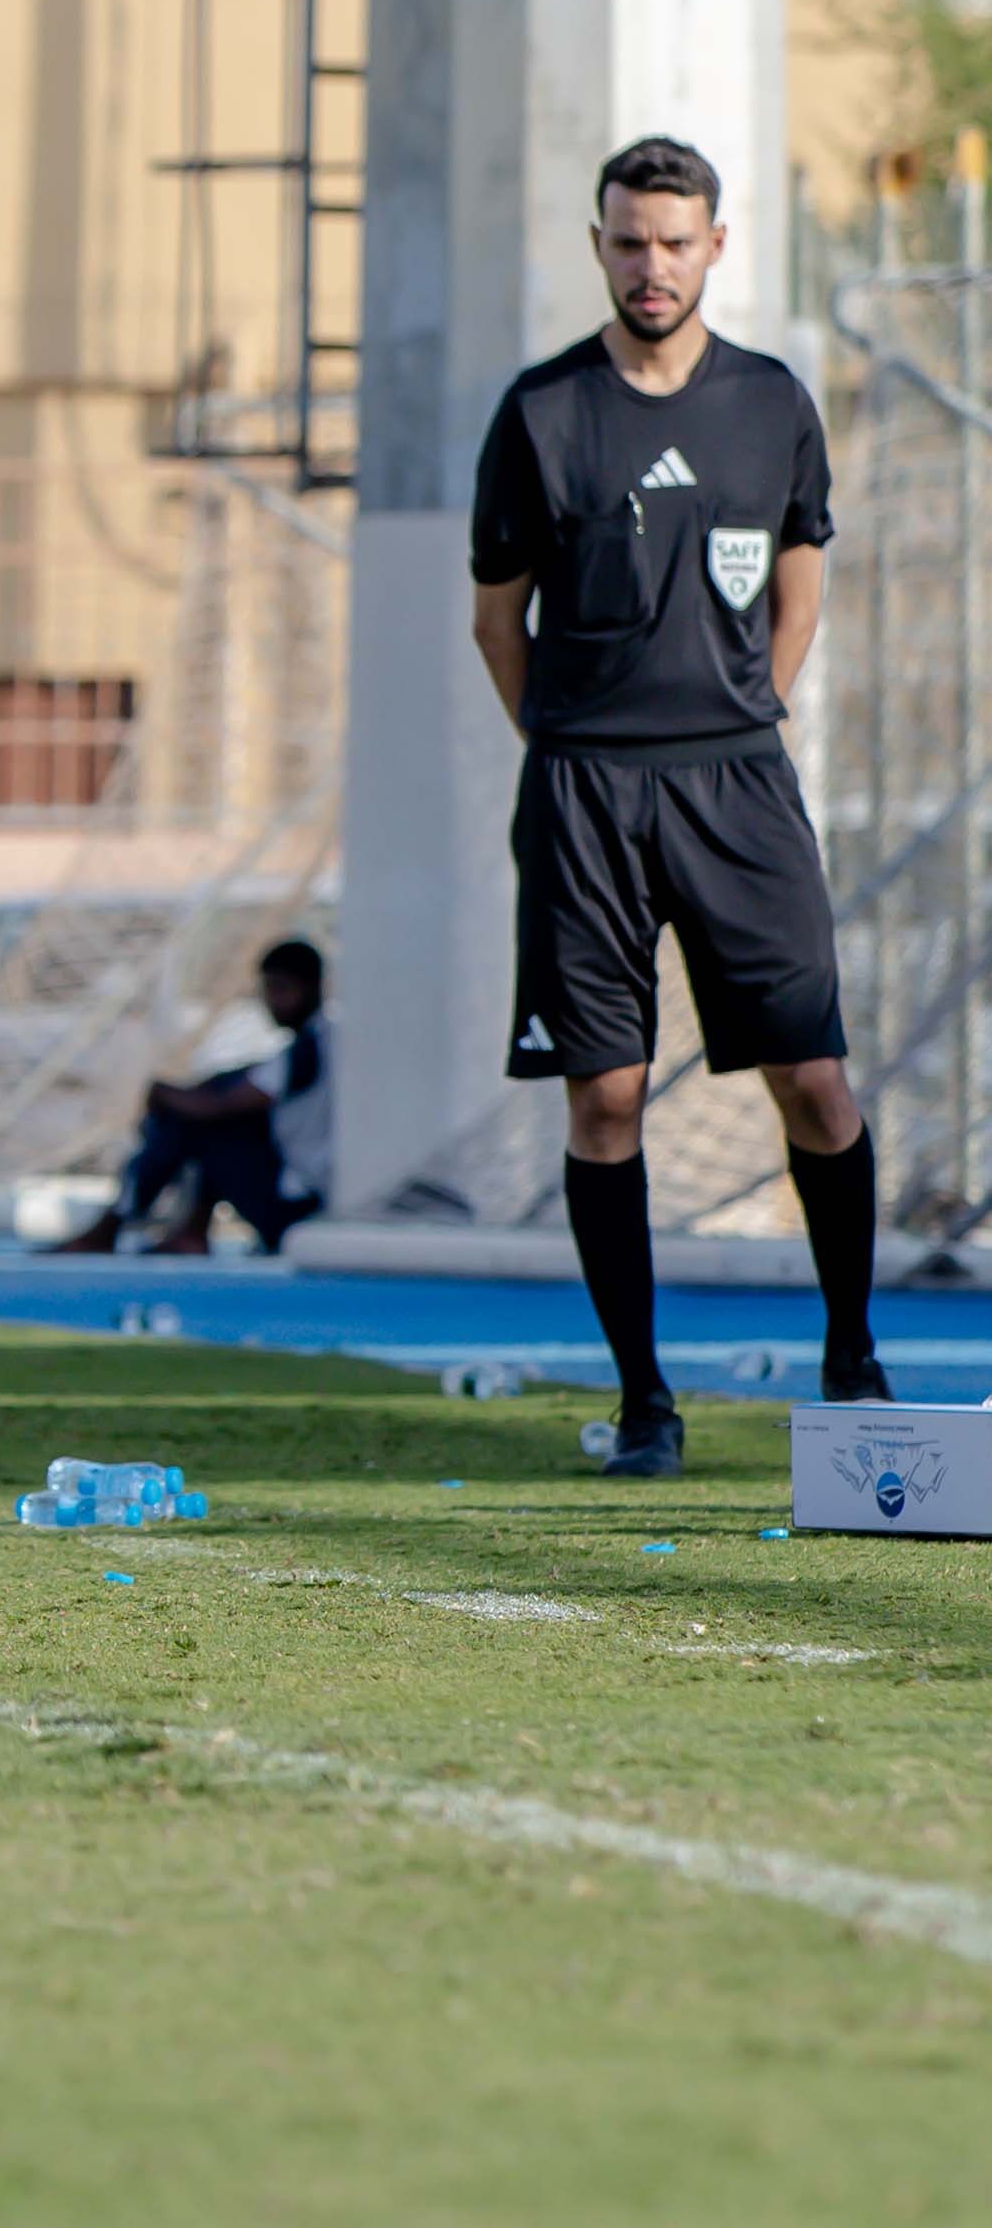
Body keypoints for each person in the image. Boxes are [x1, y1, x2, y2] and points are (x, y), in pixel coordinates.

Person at [470, 135, 879, 1478]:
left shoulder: (770, 404)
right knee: (604, 1098)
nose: (650, 265)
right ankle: (643, 1400)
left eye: (673, 240)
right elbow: (493, 618)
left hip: (736, 784)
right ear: (597, 247)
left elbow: (800, 570)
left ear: (714, 245)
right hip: (584, 790)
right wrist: (566, 740)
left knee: (811, 1082)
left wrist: (745, 707)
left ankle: (848, 1350)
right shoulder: (539, 413)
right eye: (627, 241)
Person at [55, 939, 329, 1257]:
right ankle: (187, 1230)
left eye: (281, 990)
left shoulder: (308, 1051)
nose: (271, 1001)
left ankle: (114, 1225)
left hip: (297, 1206)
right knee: (200, 1115)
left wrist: (161, 1094)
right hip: (301, 1195)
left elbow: (219, 1107)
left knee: (193, 1124)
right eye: (267, 990)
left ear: (313, 987)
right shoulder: (321, 1042)